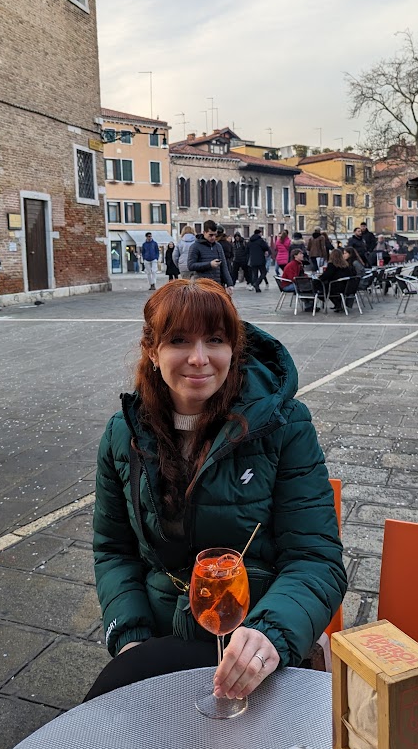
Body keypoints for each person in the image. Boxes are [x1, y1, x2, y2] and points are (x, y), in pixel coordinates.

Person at [86, 279, 346, 700]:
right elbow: (114, 549)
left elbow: (316, 558)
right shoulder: (124, 434)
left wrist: (271, 634)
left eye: (215, 340)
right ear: (152, 351)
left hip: (258, 637)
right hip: (160, 634)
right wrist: (130, 636)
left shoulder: (284, 425)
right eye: (179, 341)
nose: (199, 358)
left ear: (233, 349)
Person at [187, 220, 234, 293]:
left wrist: (229, 284)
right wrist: (209, 264)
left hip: (217, 285)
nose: (213, 237)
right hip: (202, 286)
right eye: (210, 235)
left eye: (215, 235)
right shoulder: (195, 246)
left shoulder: (218, 246)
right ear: (204, 232)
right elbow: (190, 265)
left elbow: (224, 266)